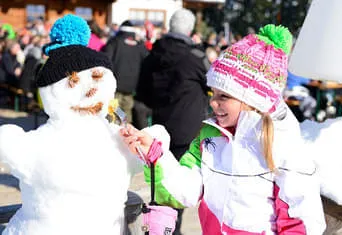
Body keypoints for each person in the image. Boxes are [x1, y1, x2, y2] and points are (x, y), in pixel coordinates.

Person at [121, 24, 326, 234]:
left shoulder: (282, 143)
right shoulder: (210, 135)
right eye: (213, 94)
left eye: (224, 96)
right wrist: (155, 155)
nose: (213, 103)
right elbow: (187, 190)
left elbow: (301, 217)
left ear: (253, 99)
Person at [0, 14, 142, 235]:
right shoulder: (117, 139)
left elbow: (9, 142)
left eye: (96, 78)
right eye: (74, 82)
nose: (90, 90)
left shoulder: (118, 137)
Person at [136, 8, 210, 234]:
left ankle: (162, 227)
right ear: (190, 30)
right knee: (181, 185)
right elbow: (213, 85)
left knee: (161, 183)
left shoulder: (153, 55)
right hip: (188, 128)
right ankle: (171, 229)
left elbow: (143, 94)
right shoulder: (195, 58)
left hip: (160, 127)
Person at [102, 20, 148, 123]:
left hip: (115, 86)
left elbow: (105, 60)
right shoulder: (140, 45)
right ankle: (126, 128)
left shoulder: (114, 42)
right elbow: (147, 62)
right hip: (131, 88)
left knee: (113, 111)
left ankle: (115, 130)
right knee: (126, 111)